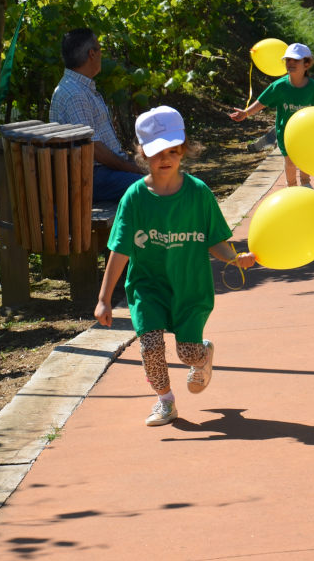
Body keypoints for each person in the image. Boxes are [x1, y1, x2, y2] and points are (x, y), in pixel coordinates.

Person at [94, 106, 256, 426]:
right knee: (151, 346)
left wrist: (236, 258)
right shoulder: (134, 198)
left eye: (173, 150)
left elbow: (214, 241)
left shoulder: (198, 194)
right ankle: (165, 401)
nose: (165, 158)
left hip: (190, 289)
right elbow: (120, 250)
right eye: (156, 152)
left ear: (183, 150)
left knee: (187, 353)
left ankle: (202, 355)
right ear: (141, 154)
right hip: (148, 287)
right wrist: (104, 298)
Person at [229, 43, 314, 187]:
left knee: (305, 160)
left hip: (307, 133)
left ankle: (306, 183)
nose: (290, 63)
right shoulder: (279, 86)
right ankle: (291, 186)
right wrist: (246, 113)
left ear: (307, 64)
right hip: (286, 133)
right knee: (290, 162)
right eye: (288, 60)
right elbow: (262, 102)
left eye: (296, 60)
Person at [49, 28, 144, 202]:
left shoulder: (78, 88)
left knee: (164, 179)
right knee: (153, 187)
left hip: (99, 174)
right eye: (100, 49)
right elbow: (94, 150)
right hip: (91, 178)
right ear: (91, 54)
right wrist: (132, 168)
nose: (102, 55)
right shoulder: (75, 94)